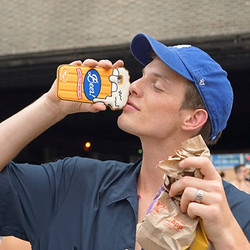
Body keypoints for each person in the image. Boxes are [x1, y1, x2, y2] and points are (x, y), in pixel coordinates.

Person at [0, 33, 249, 250]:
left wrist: (229, 238)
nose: (133, 87)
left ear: (194, 118)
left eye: (157, 86)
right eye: (141, 77)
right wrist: (51, 106)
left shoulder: (236, 214)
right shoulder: (75, 182)